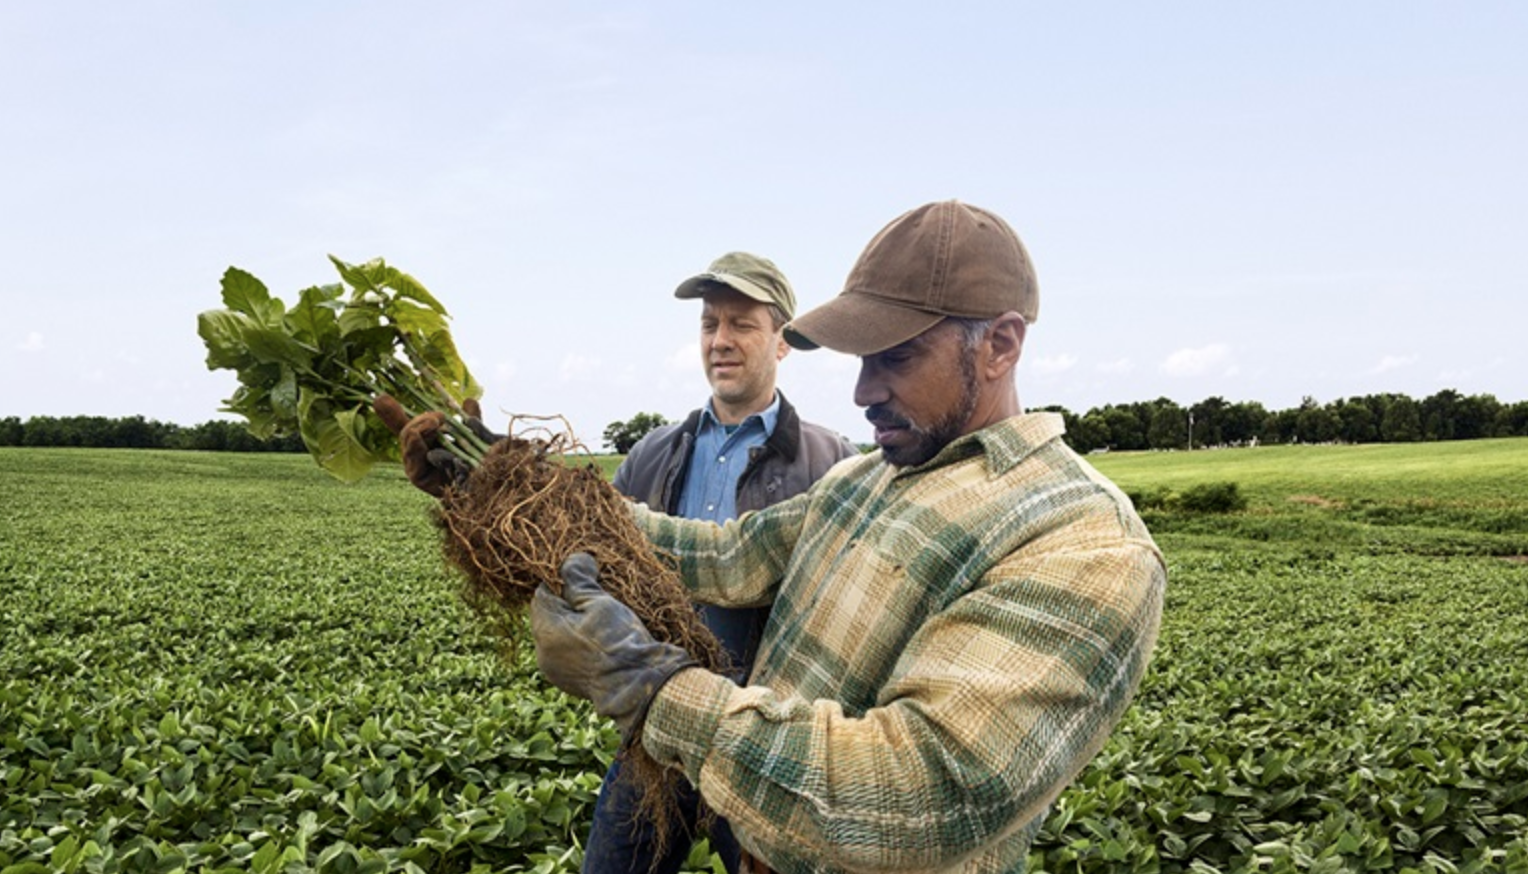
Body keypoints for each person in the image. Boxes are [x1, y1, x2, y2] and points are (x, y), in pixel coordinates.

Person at [388, 200, 1166, 873]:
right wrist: (496, 478)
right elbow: (721, 556)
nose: (864, 391)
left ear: (1000, 344)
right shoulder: (866, 480)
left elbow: (925, 795)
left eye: (896, 357)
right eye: (863, 359)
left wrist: (647, 684)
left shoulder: (1082, 542)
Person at [585, 252, 858, 874]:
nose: (721, 341)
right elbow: (594, 557)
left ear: (782, 339)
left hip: (764, 745)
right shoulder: (655, 452)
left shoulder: (830, 461)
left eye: (742, 323)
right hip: (657, 732)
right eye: (710, 324)